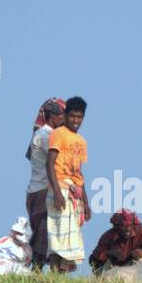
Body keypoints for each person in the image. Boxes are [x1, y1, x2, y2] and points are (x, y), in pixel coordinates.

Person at [46, 96, 89, 273]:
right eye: (72, 116)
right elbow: (49, 164)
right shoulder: (58, 134)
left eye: (79, 117)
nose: (76, 120)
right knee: (59, 237)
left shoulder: (81, 141)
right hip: (60, 190)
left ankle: (61, 279)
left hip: (74, 193)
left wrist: (86, 203)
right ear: (65, 115)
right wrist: (56, 192)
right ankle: (54, 276)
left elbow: (79, 173)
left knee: (70, 240)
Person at [25, 97, 65, 270]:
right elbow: (58, 161)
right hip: (42, 191)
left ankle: (40, 272)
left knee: (48, 235)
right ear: (53, 116)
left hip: (40, 190)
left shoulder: (46, 134)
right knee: (42, 235)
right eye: (62, 115)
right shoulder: (46, 135)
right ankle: (36, 271)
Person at [89, 209, 142, 280]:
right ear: (116, 227)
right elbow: (92, 259)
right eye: (123, 226)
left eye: (130, 225)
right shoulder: (108, 236)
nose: (128, 229)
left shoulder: (140, 231)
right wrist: (111, 253)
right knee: (110, 275)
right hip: (114, 269)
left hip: (136, 267)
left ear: (134, 224)